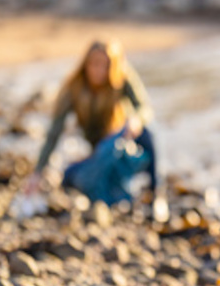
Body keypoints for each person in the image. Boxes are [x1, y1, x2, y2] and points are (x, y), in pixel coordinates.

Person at [24, 39, 160, 208]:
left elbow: (144, 107)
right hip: (98, 148)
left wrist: (136, 120)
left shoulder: (122, 77)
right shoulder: (74, 88)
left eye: (105, 66)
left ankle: (156, 193)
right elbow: (54, 133)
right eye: (95, 64)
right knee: (73, 178)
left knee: (148, 134)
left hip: (121, 138)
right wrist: (38, 173)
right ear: (86, 64)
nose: (99, 71)